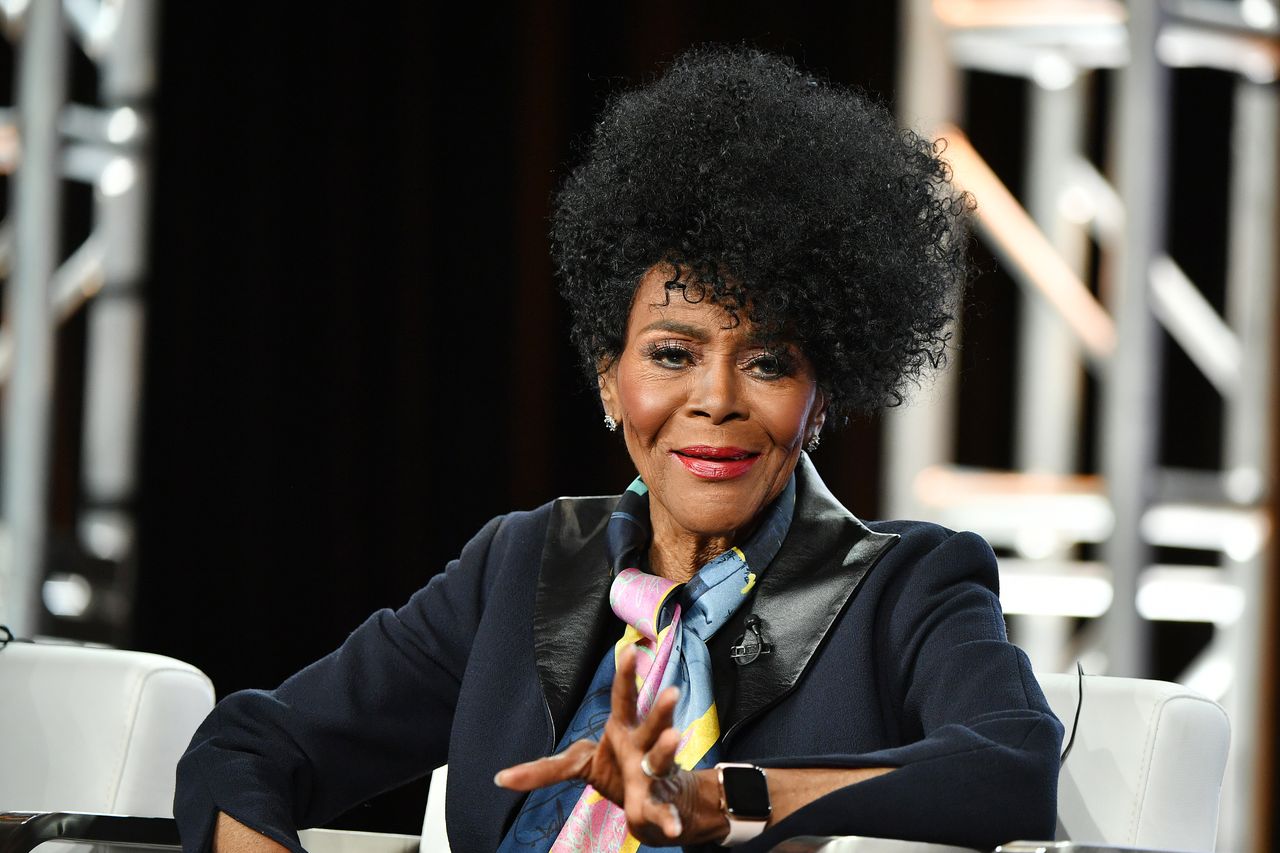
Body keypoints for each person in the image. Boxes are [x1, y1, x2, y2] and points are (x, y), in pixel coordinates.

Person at [175, 46, 1062, 853]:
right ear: (610, 381)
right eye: (672, 353)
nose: (715, 398)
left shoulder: (908, 585)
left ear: (821, 395)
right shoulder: (521, 565)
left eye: (768, 361)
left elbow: (1011, 767)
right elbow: (253, 742)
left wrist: (728, 798)